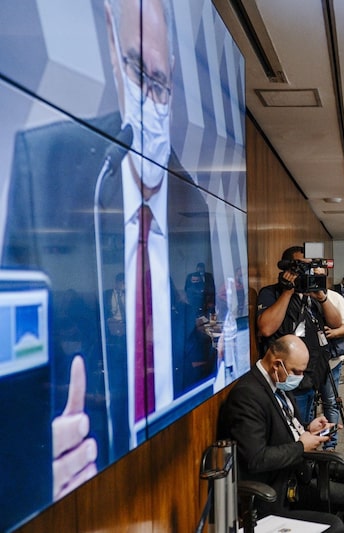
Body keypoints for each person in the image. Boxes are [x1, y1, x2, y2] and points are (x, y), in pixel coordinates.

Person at [2, 0, 218, 498]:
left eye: (163, 85)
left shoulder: (196, 202)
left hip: (175, 458)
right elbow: (17, 392)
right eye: (139, 71)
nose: (152, 102)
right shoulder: (48, 166)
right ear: (111, 43)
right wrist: (34, 465)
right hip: (85, 481)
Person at [219, 335, 344, 533]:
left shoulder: (276, 383)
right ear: (277, 365)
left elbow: (285, 424)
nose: (299, 378)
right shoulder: (247, 396)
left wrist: (308, 428)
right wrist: (301, 447)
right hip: (278, 486)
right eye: (296, 372)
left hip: (295, 468)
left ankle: (327, 515)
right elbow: (256, 459)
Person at [256, 246, 342, 426]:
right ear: (287, 268)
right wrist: (288, 291)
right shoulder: (271, 293)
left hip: (312, 375)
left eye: (309, 267)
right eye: (301, 267)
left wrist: (322, 297)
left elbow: (336, 323)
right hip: (287, 376)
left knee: (307, 426)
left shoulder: (312, 296)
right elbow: (266, 329)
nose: (306, 272)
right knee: (294, 429)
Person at [320, 285, 344, 451]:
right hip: (304, 364)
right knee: (308, 404)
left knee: (331, 402)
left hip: (331, 362)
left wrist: (334, 333)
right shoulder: (299, 297)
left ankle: (330, 446)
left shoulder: (334, 297)